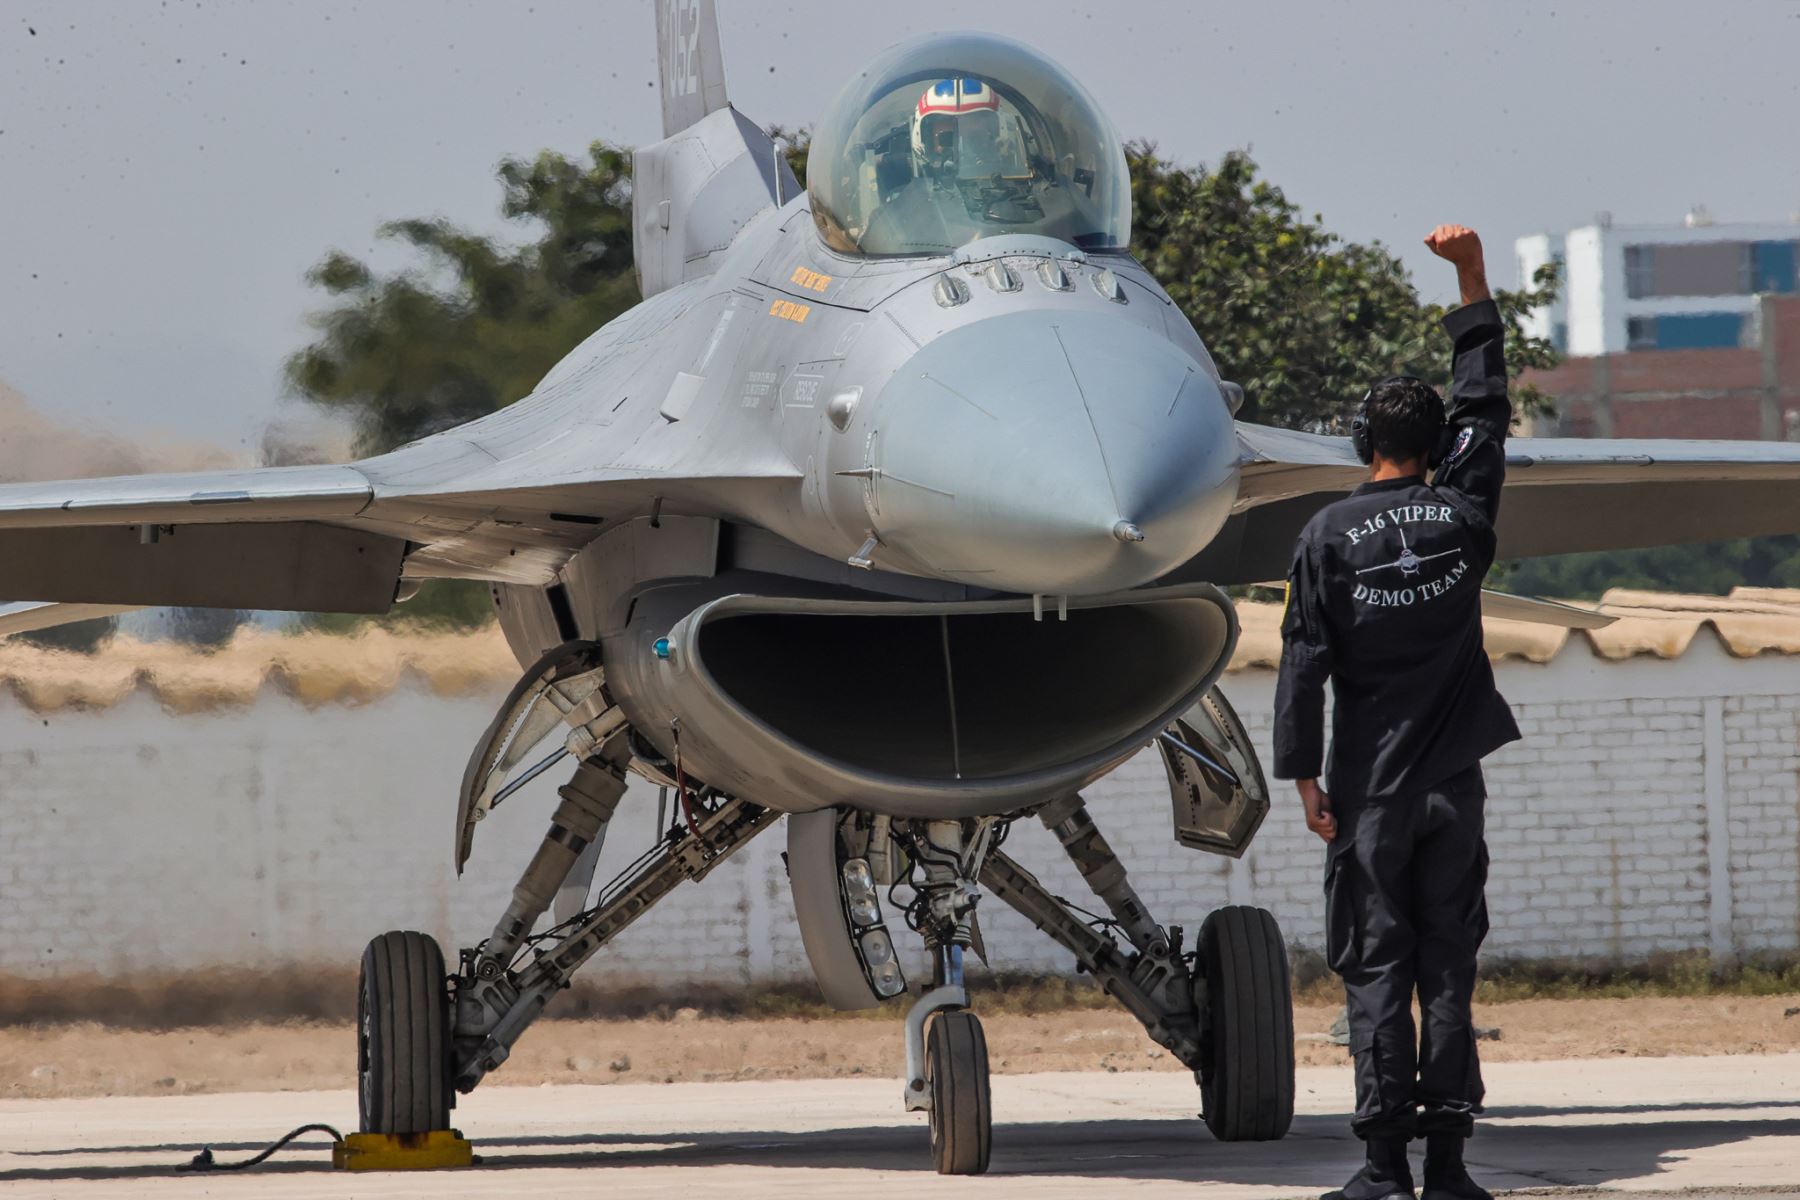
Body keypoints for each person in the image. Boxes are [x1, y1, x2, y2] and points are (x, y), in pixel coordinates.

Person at [1272, 224, 1517, 1200]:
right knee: (1447, 969)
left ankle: (1382, 1169)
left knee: (1377, 969)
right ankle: (1450, 1168)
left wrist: (1304, 779)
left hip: (1369, 795)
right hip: (1454, 787)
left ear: (1363, 443)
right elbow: (1486, 407)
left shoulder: (1327, 536)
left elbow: (1303, 663)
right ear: (1437, 448)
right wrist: (1471, 279)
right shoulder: (1465, 517)